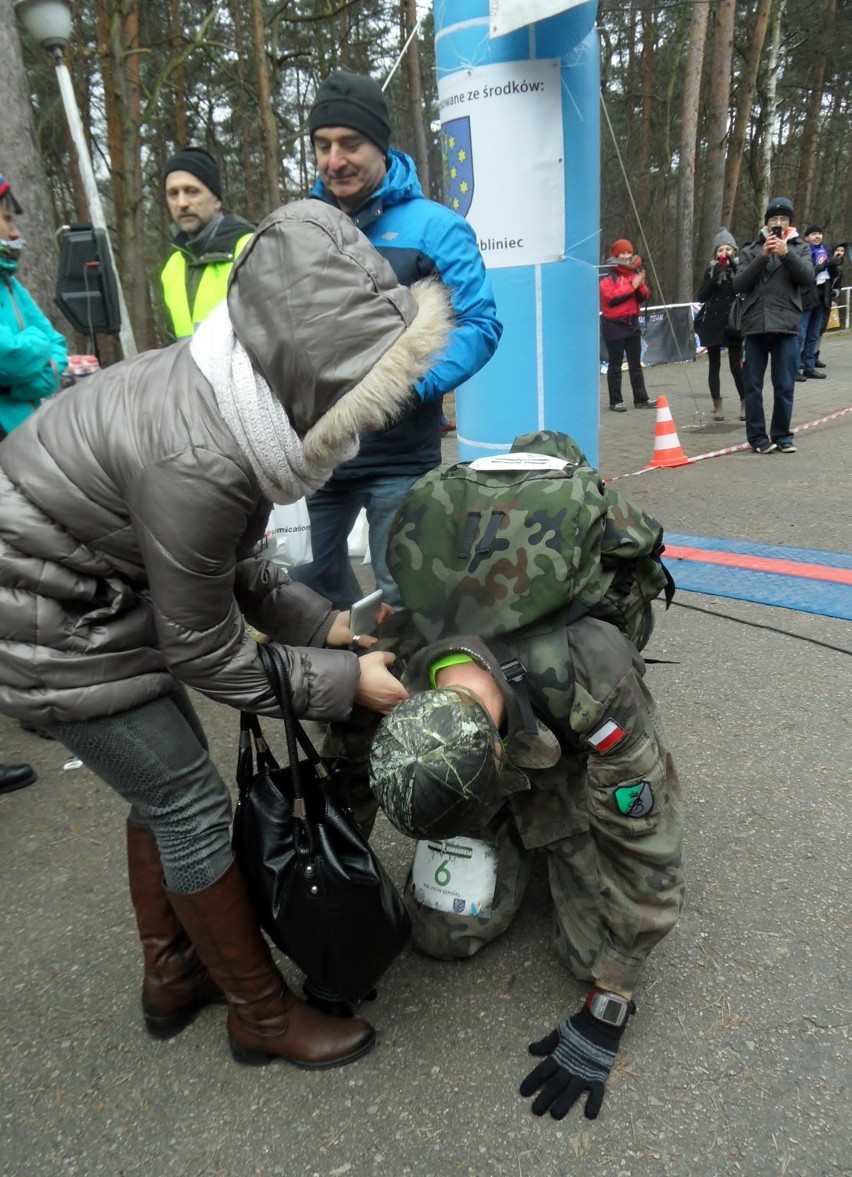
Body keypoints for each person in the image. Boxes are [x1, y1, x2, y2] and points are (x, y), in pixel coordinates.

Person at [0, 200, 451, 1070]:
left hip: (86, 595)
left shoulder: (225, 396)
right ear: (311, 375)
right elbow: (204, 647)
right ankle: (261, 1016)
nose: (357, 428)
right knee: (188, 800)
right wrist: (342, 684)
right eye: (354, 399)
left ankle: (173, 973)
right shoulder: (202, 457)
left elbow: (235, 567)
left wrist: (332, 627)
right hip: (49, 624)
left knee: (158, 789)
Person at [367, 613, 684, 1122]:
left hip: (568, 767)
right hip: (494, 750)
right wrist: (333, 911)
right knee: (436, 935)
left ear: (499, 761)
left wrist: (613, 997)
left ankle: (543, 834)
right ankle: (508, 837)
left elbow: (645, 842)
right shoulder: (393, 667)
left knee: (593, 959)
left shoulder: (597, 681)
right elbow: (345, 773)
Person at [289, 70, 502, 610]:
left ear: (380, 145)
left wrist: (409, 388)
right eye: (322, 145)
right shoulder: (303, 227)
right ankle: (333, 692)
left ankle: (409, 691)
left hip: (399, 459)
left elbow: (480, 324)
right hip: (315, 456)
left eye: (350, 144)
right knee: (306, 596)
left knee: (405, 600)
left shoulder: (435, 228)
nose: (334, 160)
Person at [732, 197, 813, 454]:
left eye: (783, 219)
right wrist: (763, 256)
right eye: (773, 219)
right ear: (766, 223)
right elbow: (739, 284)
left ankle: (782, 435)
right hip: (755, 325)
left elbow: (807, 278)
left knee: (785, 385)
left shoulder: (800, 248)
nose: (777, 224)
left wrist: (786, 254)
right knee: (753, 386)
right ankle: (757, 438)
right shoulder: (750, 250)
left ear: (790, 224)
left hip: (787, 324)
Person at [160, 147, 254, 339]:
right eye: (173, 193)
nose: (182, 203)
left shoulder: (249, 249)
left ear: (217, 200)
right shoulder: (172, 268)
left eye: (192, 191)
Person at [0, 174, 68, 440]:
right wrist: (37, 344)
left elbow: (58, 345)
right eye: (7, 219)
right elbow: (7, 358)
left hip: (25, 436)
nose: (16, 232)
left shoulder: (11, 285)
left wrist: (14, 387)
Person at [599, 239, 656, 413]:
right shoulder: (607, 275)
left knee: (635, 364)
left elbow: (645, 295)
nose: (626, 256)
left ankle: (641, 398)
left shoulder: (635, 272)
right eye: (622, 253)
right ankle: (615, 401)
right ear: (615, 255)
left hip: (632, 324)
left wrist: (640, 286)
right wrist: (633, 286)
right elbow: (612, 298)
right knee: (615, 365)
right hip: (614, 325)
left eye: (628, 252)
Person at [694, 229, 745, 421]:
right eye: (721, 249)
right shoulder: (711, 270)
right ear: (716, 253)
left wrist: (734, 270)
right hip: (713, 322)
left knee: (736, 365)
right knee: (713, 365)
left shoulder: (740, 268)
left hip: (733, 322)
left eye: (728, 249)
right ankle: (717, 405)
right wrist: (714, 279)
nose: (724, 253)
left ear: (734, 250)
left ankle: (744, 401)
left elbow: (743, 287)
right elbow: (701, 296)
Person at [796, 225, 830, 381]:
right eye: (814, 234)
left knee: (813, 335)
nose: (817, 237)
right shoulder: (804, 252)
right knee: (800, 335)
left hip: (821, 296)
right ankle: (794, 367)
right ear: (807, 237)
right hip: (806, 296)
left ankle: (809, 366)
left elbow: (830, 275)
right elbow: (805, 275)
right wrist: (819, 267)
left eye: (819, 234)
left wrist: (834, 265)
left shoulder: (824, 250)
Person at [813, 240, 847, 369]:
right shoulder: (824, 263)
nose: (840, 253)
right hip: (817, 298)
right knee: (812, 329)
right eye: (837, 250)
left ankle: (815, 355)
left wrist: (835, 293)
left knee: (821, 330)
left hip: (827, 300)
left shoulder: (841, 268)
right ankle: (805, 356)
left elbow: (839, 286)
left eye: (842, 251)